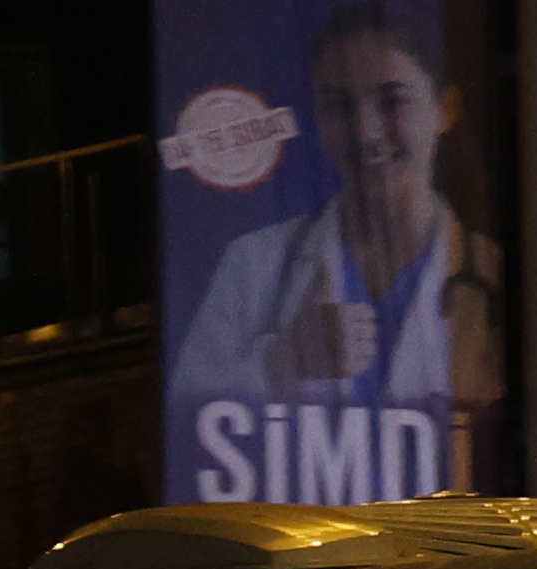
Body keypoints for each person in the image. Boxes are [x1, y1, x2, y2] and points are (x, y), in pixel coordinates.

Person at [165, 1, 509, 497]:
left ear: (444, 110)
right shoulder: (255, 264)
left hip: (448, 566)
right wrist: (283, 363)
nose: (366, 132)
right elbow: (185, 429)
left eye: (392, 101)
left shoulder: (496, 278)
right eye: (338, 106)